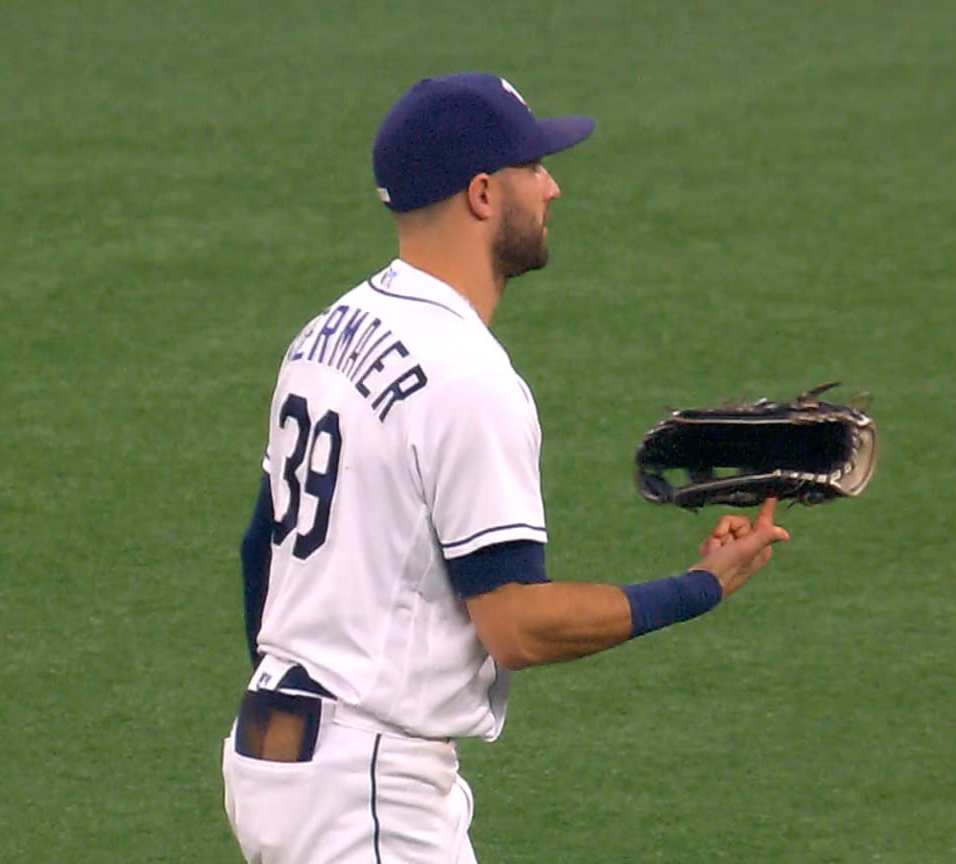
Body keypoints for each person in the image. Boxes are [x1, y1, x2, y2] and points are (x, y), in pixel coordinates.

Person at [220, 71, 792, 864]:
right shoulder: (468, 378)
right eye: (536, 168)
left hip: (272, 757)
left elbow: (261, 547)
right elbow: (515, 626)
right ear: (484, 194)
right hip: (366, 790)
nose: (553, 187)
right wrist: (703, 586)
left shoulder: (326, 334)